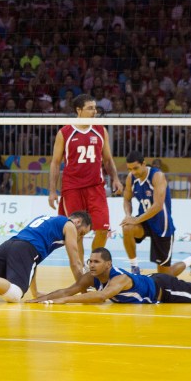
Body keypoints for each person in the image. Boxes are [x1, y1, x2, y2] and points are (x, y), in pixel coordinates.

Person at [28, 247, 191, 305]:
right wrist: (43, 297)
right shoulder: (92, 276)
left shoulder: (118, 279)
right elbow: (70, 289)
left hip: (163, 291)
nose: (91, 265)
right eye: (90, 261)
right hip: (157, 283)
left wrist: (60, 303)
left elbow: (100, 297)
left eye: (96, 262)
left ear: (109, 263)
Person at [48, 94, 123, 268]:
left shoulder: (100, 130)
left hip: (96, 187)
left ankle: (93, 265)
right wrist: (52, 191)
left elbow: (108, 159)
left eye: (95, 108)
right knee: (76, 232)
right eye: (90, 108)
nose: (94, 111)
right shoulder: (65, 132)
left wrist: (116, 179)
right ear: (78, 110)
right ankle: (81, 271)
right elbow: (55, 162)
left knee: (103, 229)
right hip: (72, 188)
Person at [120, 150, 191, 277]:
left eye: (136, 168)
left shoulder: (157, 176)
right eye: (130, 169)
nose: (133, 172)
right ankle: (134, 267)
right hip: (144, 222)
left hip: (162, 225)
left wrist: (136, 220)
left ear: (144, 164)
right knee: (127, 227)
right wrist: (128, 215)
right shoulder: (131, 178)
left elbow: (158, 206)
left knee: (165, 277)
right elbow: (127, 199)